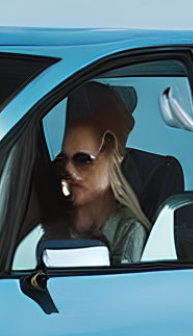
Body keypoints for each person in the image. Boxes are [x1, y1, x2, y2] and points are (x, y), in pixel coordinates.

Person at [54, 82, 150, 264]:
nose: (67, 170)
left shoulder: (128, 229)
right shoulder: (50, 220)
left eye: (83, 160)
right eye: (62, 160)